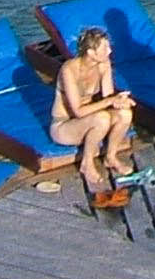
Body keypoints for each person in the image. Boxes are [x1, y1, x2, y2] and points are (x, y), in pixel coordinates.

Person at [52, 27, 139, 207]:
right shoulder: (69, 70)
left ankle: (111, 157)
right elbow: (78, 111)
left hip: (91, 118)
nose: (110, 51)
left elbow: (108, 96)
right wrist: (110, 101)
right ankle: (87, 163)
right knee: (102, 118)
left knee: (124, 114)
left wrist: (120, 101)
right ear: (91, 52)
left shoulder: (103, 64)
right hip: (64, 125)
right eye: (105, 48)